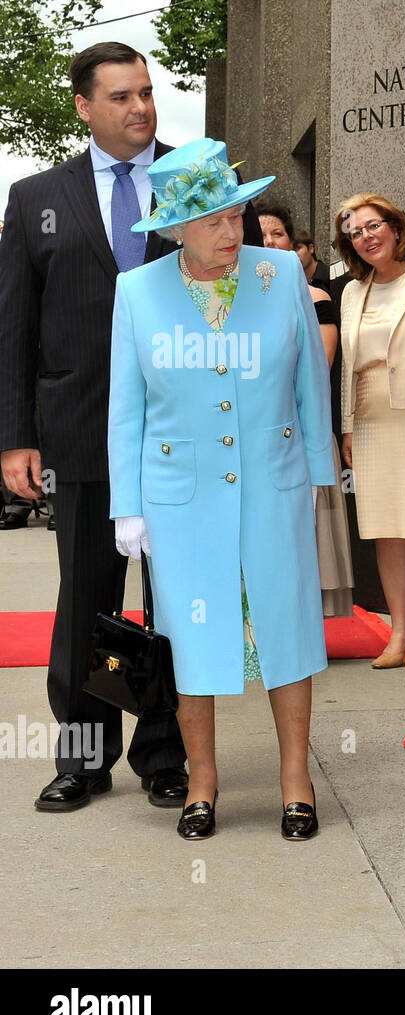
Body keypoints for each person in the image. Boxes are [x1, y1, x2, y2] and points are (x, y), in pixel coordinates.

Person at [108, 138, 336, 841]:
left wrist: (320, 473)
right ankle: (200, 782)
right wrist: (128, 506)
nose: (228, 231)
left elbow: (307, 383)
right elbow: (127, 407)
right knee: (193, 639)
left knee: (286, 630)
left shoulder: (278, 276)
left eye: (233, 214)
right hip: (181, 496)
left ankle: (294, 780)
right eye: (209, 221)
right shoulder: (138, 292)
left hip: (274, 483)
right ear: (174, 228)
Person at [0, 42, 192, 812]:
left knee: (178, 601)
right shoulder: (36, 196)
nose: (140, 107)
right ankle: (84, 758)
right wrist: (16, 435)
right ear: (84, 106)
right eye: (120, 96)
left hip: (180, 433)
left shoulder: (193, 180)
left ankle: (168, 752)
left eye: (146, 92)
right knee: (88, 598)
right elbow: (14, 328)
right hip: (78, 433)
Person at [335, 193, 405, 672]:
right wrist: (346, 428)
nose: (366, 237)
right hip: (371, 420)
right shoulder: (351, 292)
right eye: (355, 233)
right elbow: (348, 370)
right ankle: (397, 630)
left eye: (373, 226)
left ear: (396, 227)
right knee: (384, 532)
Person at [260, 206, 354, 617]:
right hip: (249, 434)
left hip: (298, 429)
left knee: (304, 534)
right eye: (259, 235)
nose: (269, 242)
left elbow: (317, 372)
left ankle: (302, 627)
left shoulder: (316, 299)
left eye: (278, 234)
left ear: (296, 245)